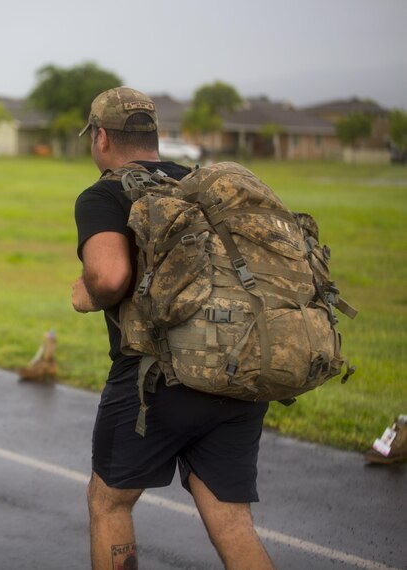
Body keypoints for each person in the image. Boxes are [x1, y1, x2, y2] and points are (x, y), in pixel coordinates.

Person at [72, 87, 274, 570]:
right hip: (237, 371)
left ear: (101, 137)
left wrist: (85, 293)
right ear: (154, 136)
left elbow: (110, 276)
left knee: (110, 503)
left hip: (157, 377)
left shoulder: (105, 193)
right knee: (230, 520)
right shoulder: (203, 184)